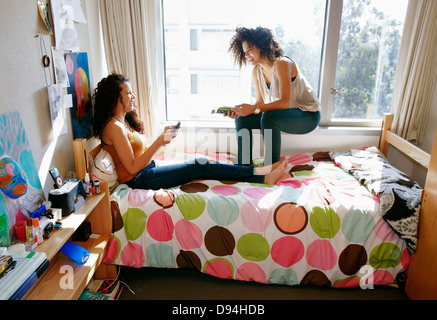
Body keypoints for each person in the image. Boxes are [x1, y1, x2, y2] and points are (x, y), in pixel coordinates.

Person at [91, 73, 287, 190]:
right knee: (197, 165)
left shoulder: (121, 122)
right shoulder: (114, 127)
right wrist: (159, 142)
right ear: (115, 98)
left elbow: (136, 156)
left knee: (202, 162)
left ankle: (261, 175)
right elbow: (132, 168)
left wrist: (162, 139)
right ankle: (261, 174)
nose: (133, 96)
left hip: (148, 170)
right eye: (128, 93)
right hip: (141, 179)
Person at [227, 27, 321, 166]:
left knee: (269, 118)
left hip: (308, 115)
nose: (246, 55)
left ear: (262, 45)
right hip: (287, 115)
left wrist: (253, 109)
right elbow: (260, 104)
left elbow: (284, 102)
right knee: (242, 120)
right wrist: (243, 112)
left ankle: (271, 166)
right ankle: (244, 164)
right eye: (244, 51)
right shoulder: (256, 71)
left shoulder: (282, 63)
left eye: (249, 49)